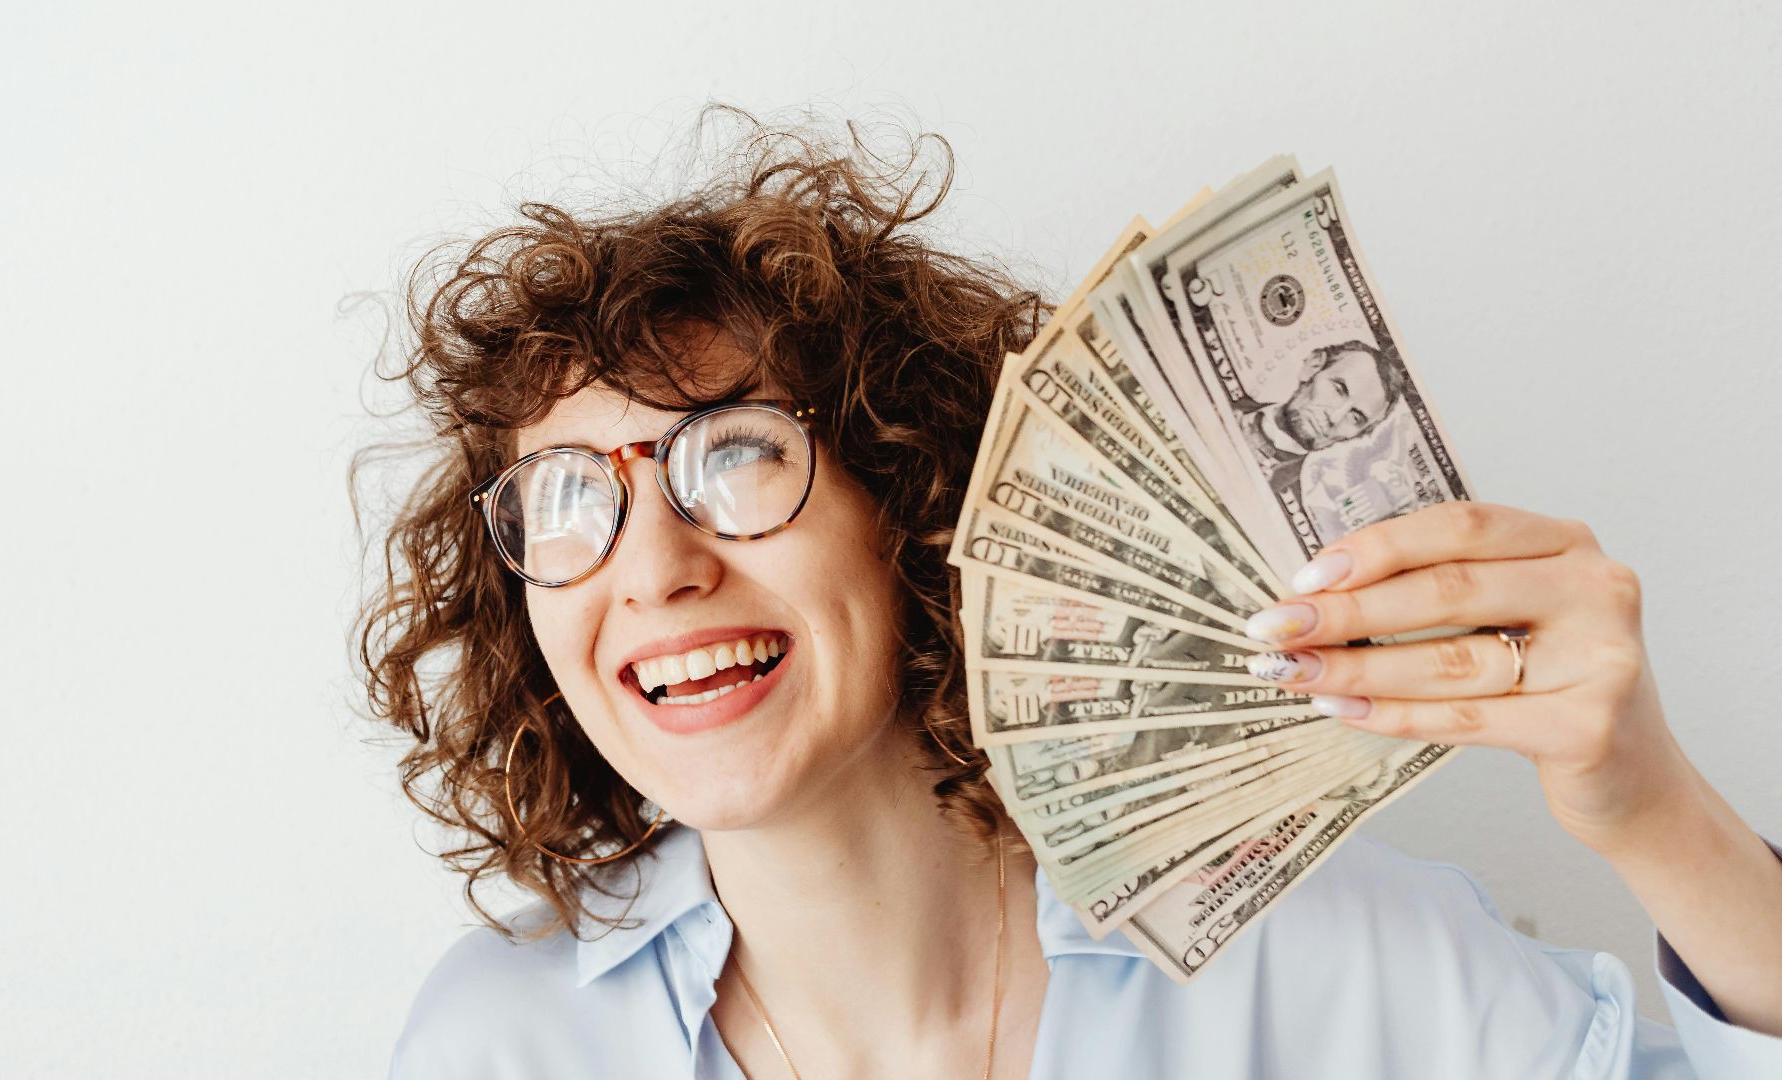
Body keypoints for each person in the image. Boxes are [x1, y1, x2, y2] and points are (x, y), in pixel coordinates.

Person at [354, 113, 1782, 1079]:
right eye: (566, 502)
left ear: (914, 506)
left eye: (737, 458)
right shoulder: (498, 1045)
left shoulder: (1326, 958)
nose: (657, 569)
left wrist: (1653, 807)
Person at [1236, 339, 1407, 492]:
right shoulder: (1224, 400)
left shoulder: (1292, 504)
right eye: (1339, 390)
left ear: (1359, 434)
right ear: (1313, 367)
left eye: (1356, 417)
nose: (1334, 417)